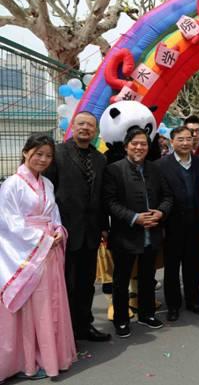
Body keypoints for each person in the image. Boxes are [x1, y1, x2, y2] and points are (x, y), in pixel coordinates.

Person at [0, 134, 77, 381]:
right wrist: (42, 238)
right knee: (29, 306)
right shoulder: (12, 184)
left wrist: (58, 230)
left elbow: (53, 214)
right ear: (26, 153)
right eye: (38, 154)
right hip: (27, 252)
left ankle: (49, 356)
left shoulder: (47, 184)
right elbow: (9, 223)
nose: (43, 159)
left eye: (48, 156)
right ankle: (25, 361)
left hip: (48, 250)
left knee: (49, 305)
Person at [44, 111, 111, 342]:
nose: (85, 128)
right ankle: (64, 332)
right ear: (72, 126)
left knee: (86, 284)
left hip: (91, 232)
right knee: (66, 284)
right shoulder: (58, 154)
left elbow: (101, 196)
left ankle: (84, 326)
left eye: (90, 125)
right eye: (81, 123)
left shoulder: (100, 159)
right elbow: (47, 193)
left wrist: (104, 226)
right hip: (64, 231)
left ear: (95, 131)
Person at [103, 126, 173, 338]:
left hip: (152, 234)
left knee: (147, 276)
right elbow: (110, 202)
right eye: (135, 143)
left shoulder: (155, 169)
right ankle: (121, 319)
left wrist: (161, 213)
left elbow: (168, 196)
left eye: (143, 144)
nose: (139, 147)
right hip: (125, 235)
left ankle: (146, 314)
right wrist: (135, 218)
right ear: (126, 146)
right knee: (121, 279)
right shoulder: (114, 170)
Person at [157, 126, 199, 321]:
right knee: (172, 267)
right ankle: (173, 305)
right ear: (172, 141)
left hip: (196, 223)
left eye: (188, 139)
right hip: (172, 224)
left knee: (193, 264)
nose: (185, 143)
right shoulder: (161, 165)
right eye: (180, 139)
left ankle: (193, 300)